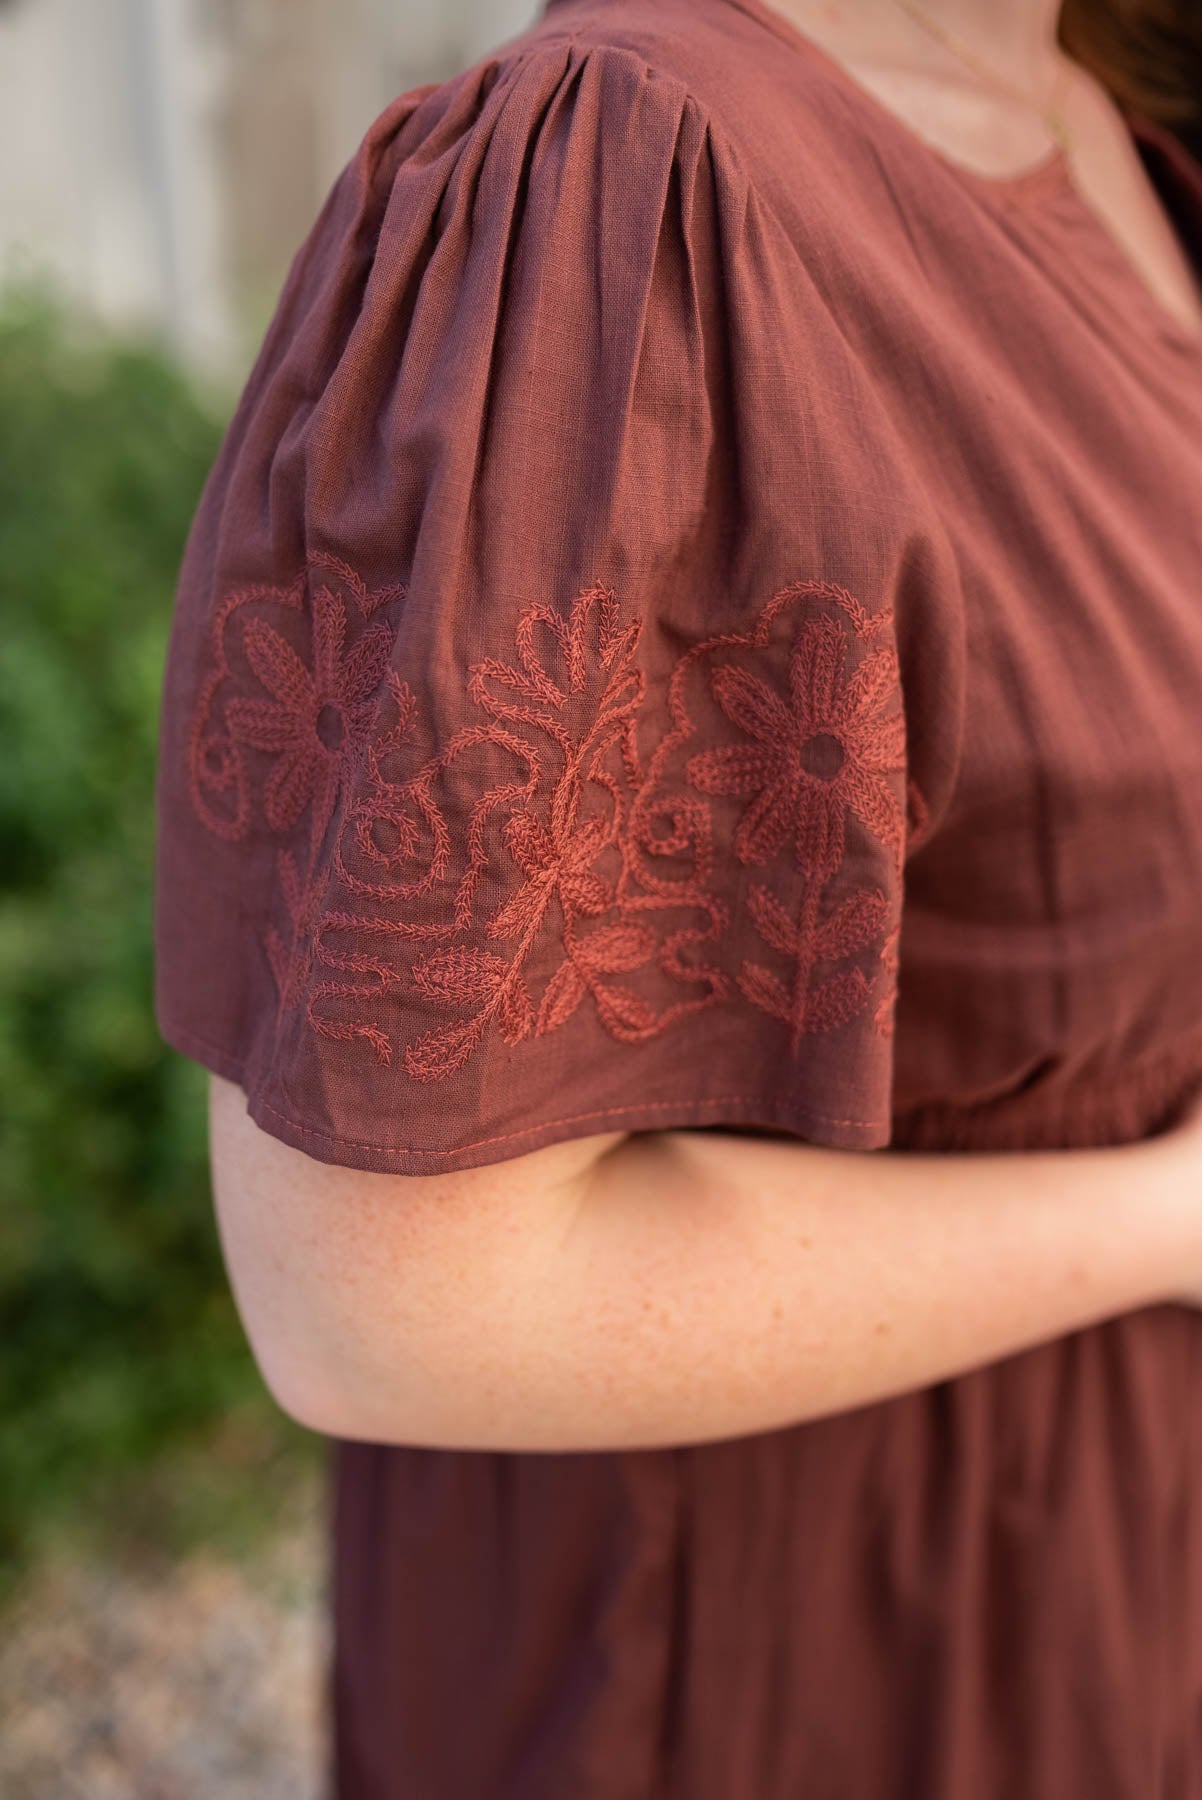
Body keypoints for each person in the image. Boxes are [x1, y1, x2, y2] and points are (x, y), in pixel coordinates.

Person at [153, 0, 1202, 1791]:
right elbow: (390, 1310)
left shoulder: (1116, 98)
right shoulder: (619, 199)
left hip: (1111, 1543)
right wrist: (1169, 1223)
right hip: (783, 1637)